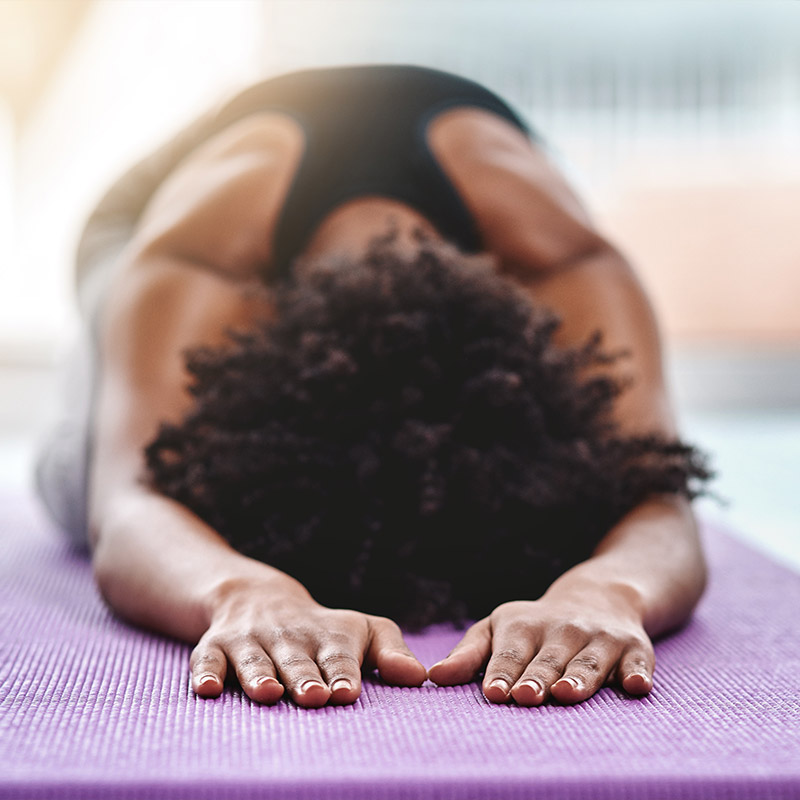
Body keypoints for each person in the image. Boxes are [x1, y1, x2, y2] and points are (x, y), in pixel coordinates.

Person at [34, 64, 710, 710]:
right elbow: (127, 506)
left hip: (457, 199)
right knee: (84, 470)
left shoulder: (565, 261)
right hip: (157, 214)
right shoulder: (200, 259)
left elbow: (658, 493)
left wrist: (607, 590)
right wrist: (241, 590)